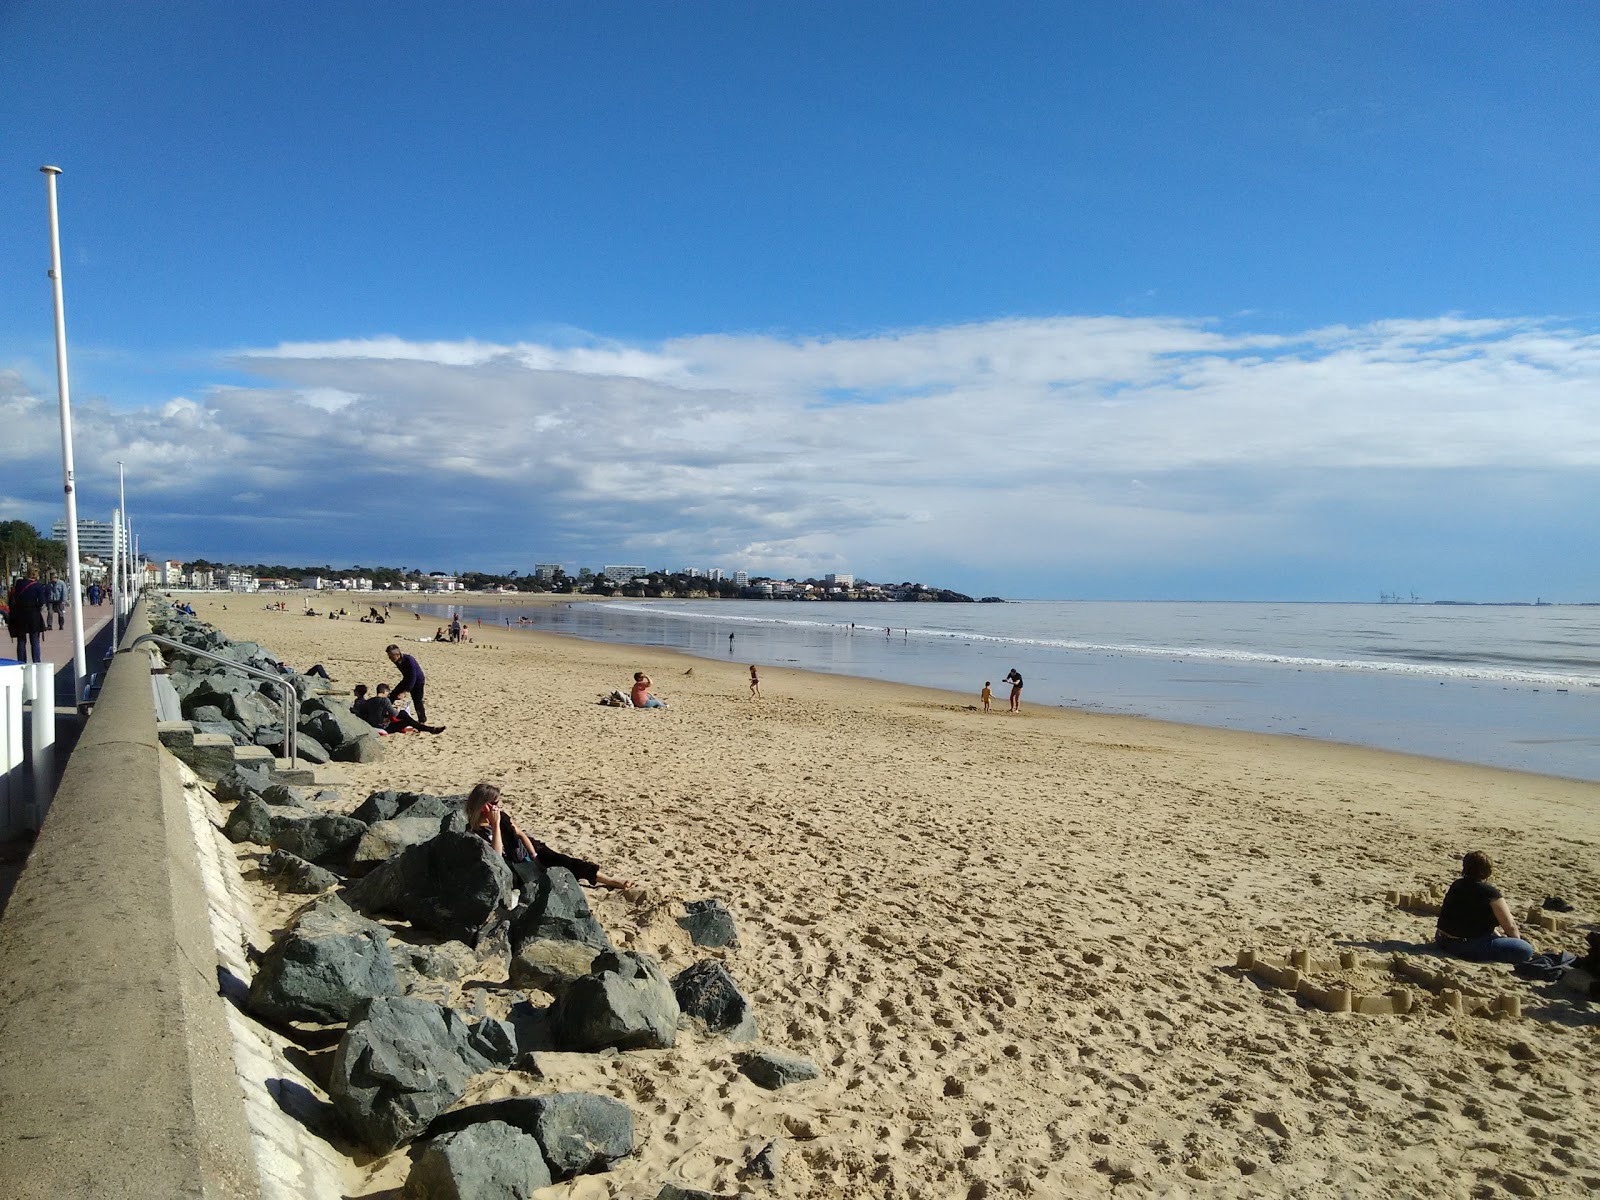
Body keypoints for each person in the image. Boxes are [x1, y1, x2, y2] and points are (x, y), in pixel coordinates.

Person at [464, 783, 631, 889]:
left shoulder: (502, 816)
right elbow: (496, 857)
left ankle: (608, 879)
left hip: (529, 850)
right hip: (514, 865)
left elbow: (521, 834)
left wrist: (535, 856)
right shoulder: (475, 832)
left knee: (564, 861)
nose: (498, 807)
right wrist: (495, 825)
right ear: (482, 806)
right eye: (494, 804)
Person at [1434, 851, 1536, 964]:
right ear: (1488, 871)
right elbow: (1510, 926)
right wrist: (1516, 943)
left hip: (1442, 939)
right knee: (1526, 949)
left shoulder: (1457, 884)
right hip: (1465, 946)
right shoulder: (1490, 893)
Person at [352, 682, 445, 734]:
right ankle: (428, 729)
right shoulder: (385, 700)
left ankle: (425, 728)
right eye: (387, 693)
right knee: (404, 715)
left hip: (373, 724)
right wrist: (398, 709)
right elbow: (394, 714)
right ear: (384, 692)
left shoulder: (369, 701)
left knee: (405, 715)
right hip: (384, 727)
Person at [5, 569, 47, 663]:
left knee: (21, 640)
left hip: (20, 615)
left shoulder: (19, 584)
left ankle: (21, 662)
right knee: (34, 640)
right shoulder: (38, 586)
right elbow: (42, 602)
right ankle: (36, 662)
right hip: (33, 615)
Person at [386, 643, 429, 721]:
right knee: (393, 695)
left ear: (397, 655)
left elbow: (413, 677)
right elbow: (408, 677)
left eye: (390, 656)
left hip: (418, 681)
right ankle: (385, 713)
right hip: (407, 679)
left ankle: (422, 720)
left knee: (417, 701)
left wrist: (404, 692)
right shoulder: (396, 660)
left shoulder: (409, 660)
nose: (389, 658)